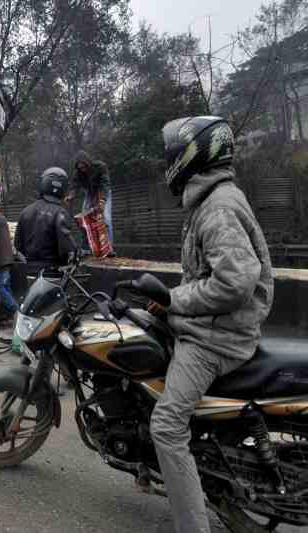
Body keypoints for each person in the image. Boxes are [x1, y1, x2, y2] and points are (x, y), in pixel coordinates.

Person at [149, 116, 273, 533]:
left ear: (194, 155)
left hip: (216, 338)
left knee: (166, 426)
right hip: (213, 325)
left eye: (173, 153)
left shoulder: (217, 207)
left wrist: (174, 299)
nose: (169, 161)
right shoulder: (211, 198)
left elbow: (235, 281)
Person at [15, 167, 78, 272]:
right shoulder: (60, 213)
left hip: (26, 270)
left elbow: (18, 244)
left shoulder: (26, 211)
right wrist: (76, 252)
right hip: (50, 273)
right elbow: (67, 247)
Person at [67, 150, 114, 253]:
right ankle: (87, 247)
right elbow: (74, 185)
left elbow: (105, 184)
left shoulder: (101, 166)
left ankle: (109, 249)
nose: (82, 170)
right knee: (83, 218)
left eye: (84, 167)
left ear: (88, 163)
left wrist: (101, 201)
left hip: (103, 191)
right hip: (90, 193)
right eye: (80, 168)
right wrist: (71, 195)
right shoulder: (78, 173)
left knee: (105, 218)